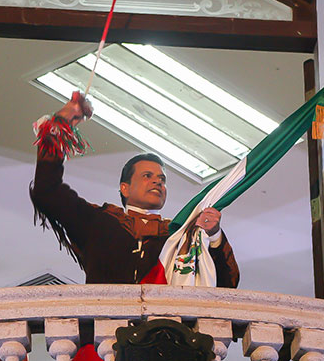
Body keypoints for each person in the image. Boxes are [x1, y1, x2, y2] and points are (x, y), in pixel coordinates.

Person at [30, 91, 239, 287]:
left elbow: (225, 285)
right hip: (107, 314)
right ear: (125, 188)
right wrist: (60, 124)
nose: (157, 182)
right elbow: (47, 191)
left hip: (163, 315)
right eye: (147, 176)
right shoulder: (98, 222)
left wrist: (214, 236)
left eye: (162, 179)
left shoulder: (179, 235)